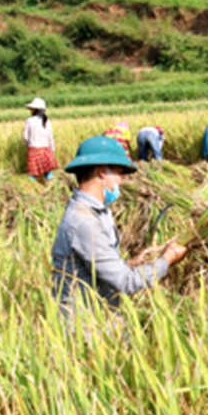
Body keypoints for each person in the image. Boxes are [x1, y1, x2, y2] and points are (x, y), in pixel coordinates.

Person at [51, 136, 188, 318]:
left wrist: (134, 263)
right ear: (101, 172)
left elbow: (104, 270)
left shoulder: (97, 212)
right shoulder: (84, 222)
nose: (123, 179)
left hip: (100, 314)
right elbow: (124, 282)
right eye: (120, 172)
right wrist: (167, 260)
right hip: (85, 327)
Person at [23, 98, 58, 180]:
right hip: (46, 150)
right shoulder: (46, 121)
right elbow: (50, 136)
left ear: (35, 110)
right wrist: (52, 149)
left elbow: (25, 136)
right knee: (48, 172)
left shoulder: (29, 121)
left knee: (32, 174)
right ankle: (51, 187)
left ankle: (32, 188)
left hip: (34, 150)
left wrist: (27, 144)